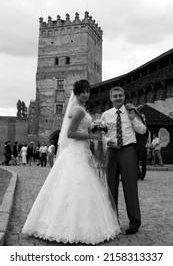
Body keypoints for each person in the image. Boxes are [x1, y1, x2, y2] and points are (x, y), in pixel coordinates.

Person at [22, 80, 120, 245]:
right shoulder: (79, 111)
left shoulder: (78, 110)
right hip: (76, 152)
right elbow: (70, 133)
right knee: (75, 186)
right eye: (82, 91)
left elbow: (80, 129)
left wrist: (98, 134)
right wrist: (93, 136)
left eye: (87, 91)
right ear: (76, 93)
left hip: (81, 152)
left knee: (79, 187)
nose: (86, 94)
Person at [101, 86, 147, 235]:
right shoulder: (106, 115)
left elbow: (143, 131)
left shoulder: (132, 112)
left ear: (124, 96)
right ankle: (113, 220)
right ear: (111, 98)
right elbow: (101, 134)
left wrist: (134, 119)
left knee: (130, 187)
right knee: (110, 186)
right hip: (112, 152)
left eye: (120, 95)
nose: (118, 98)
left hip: (128, 150)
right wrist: (107, 141)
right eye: (115, 96)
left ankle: (134, 221)